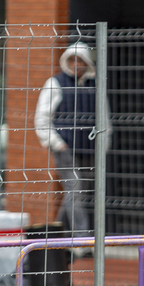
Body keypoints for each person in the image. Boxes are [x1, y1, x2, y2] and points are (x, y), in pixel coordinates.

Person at [34, 40, 98, 240]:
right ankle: (81, 240)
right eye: (73, 60)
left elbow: (104, 116)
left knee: (77, 194)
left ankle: (56, 233)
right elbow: (42, 117)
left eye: (81, 60)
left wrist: (104, 144)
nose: (77, 64)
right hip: (65, 148)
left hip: (89, 148)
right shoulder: (56, 83)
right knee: (76, 190)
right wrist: (56, 143)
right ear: (67, 61)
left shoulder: (95, 85)